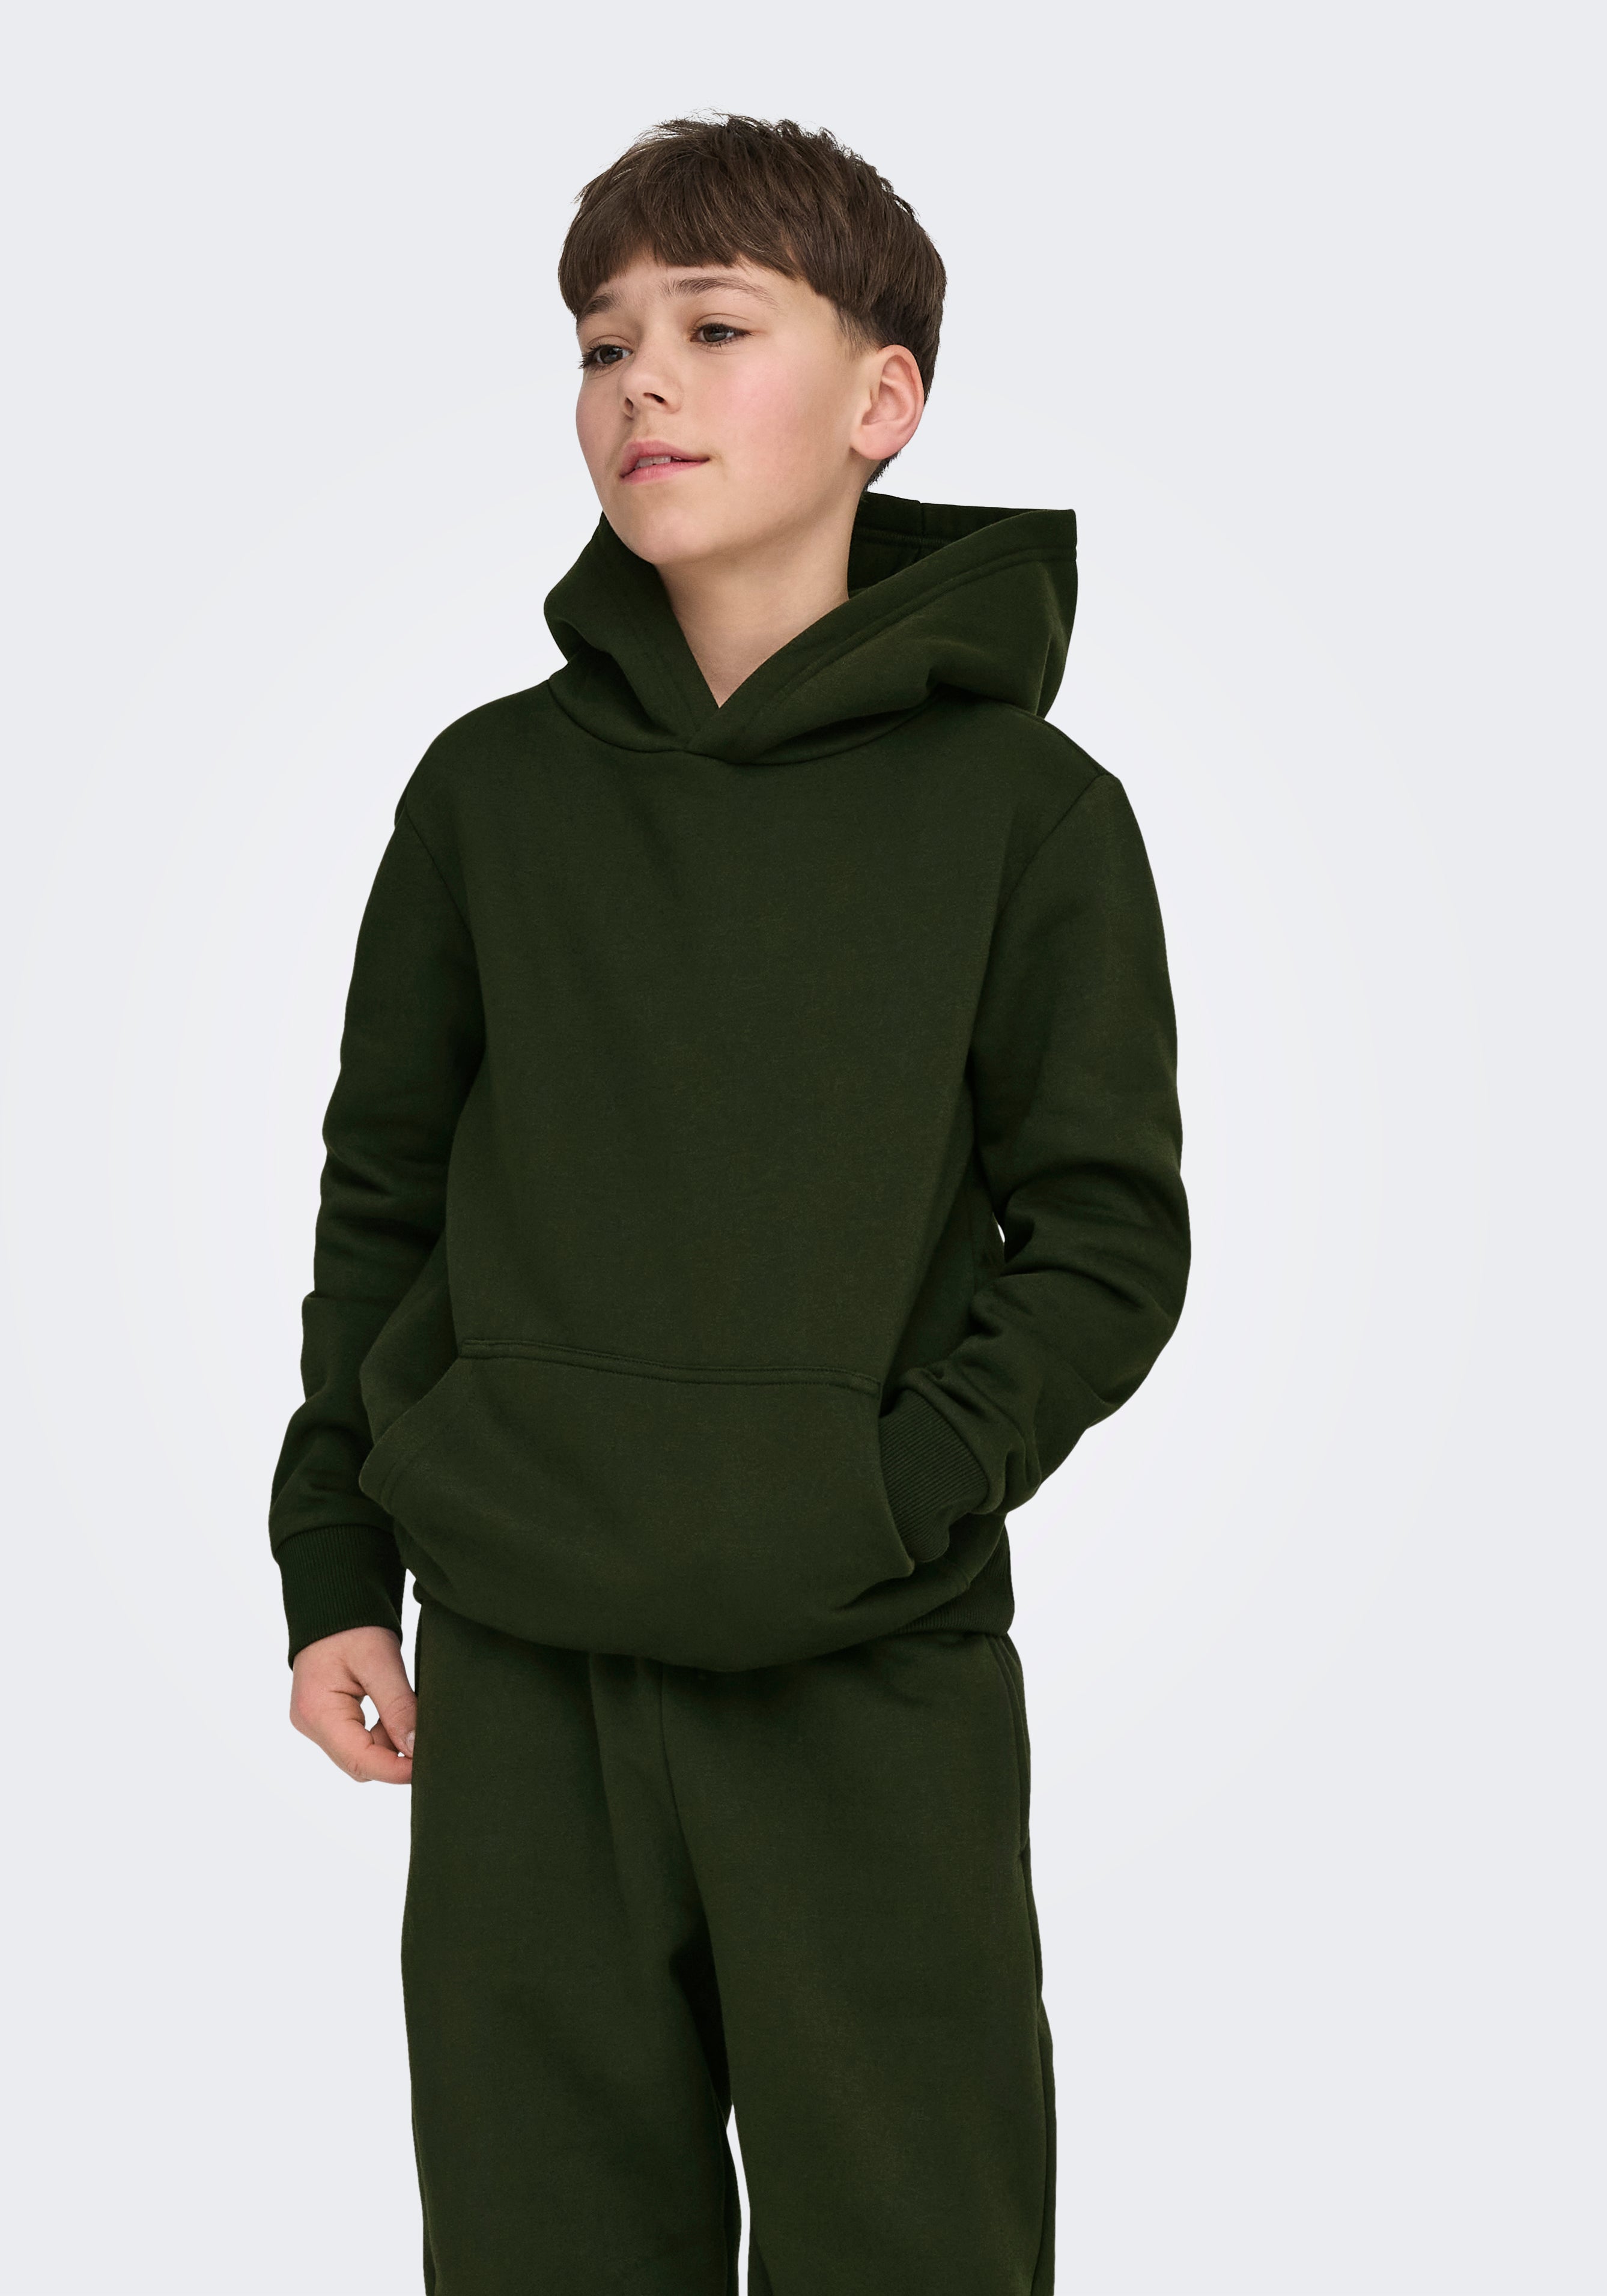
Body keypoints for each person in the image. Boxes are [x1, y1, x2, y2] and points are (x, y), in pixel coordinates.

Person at [269, 112, 1189, 2295]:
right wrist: (334, 1564)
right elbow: (382, 1194)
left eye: (712, 328)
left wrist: (891, 1491)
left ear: (884, 400)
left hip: (862, 1672)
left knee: (915, 2247)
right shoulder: (489, 793)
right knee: (542, 2250)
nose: (641, 386)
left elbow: (1103, 1239)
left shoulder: (1027, 816)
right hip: (525, 1665)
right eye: (602, 346)